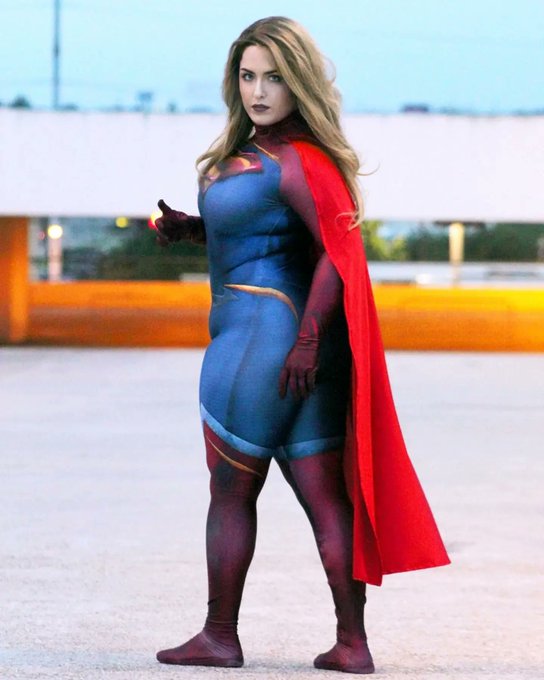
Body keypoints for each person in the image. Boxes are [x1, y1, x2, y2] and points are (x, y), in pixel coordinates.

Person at [153, 16, 450, 675]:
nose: (259, 91)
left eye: (275, 77)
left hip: (261, 340)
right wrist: (193, 229)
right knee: (323, 497)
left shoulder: (297, 160)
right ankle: (352, 644)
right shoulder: (275, 155)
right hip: (292, 347)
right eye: (248, 75)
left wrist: (307, 340)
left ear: (301, 82)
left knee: (231, 490)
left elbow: (336, 255)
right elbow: (266, 237)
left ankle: (219, 636)